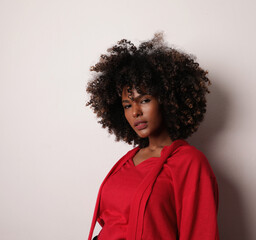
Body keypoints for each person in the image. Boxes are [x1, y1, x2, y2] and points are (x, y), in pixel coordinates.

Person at [86, 32, 219, 240]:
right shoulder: (126, 162)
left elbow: (201, 234)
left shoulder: (189, 163)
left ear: (166, 99)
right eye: (127, 105)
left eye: (145, 100)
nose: (135, 112)